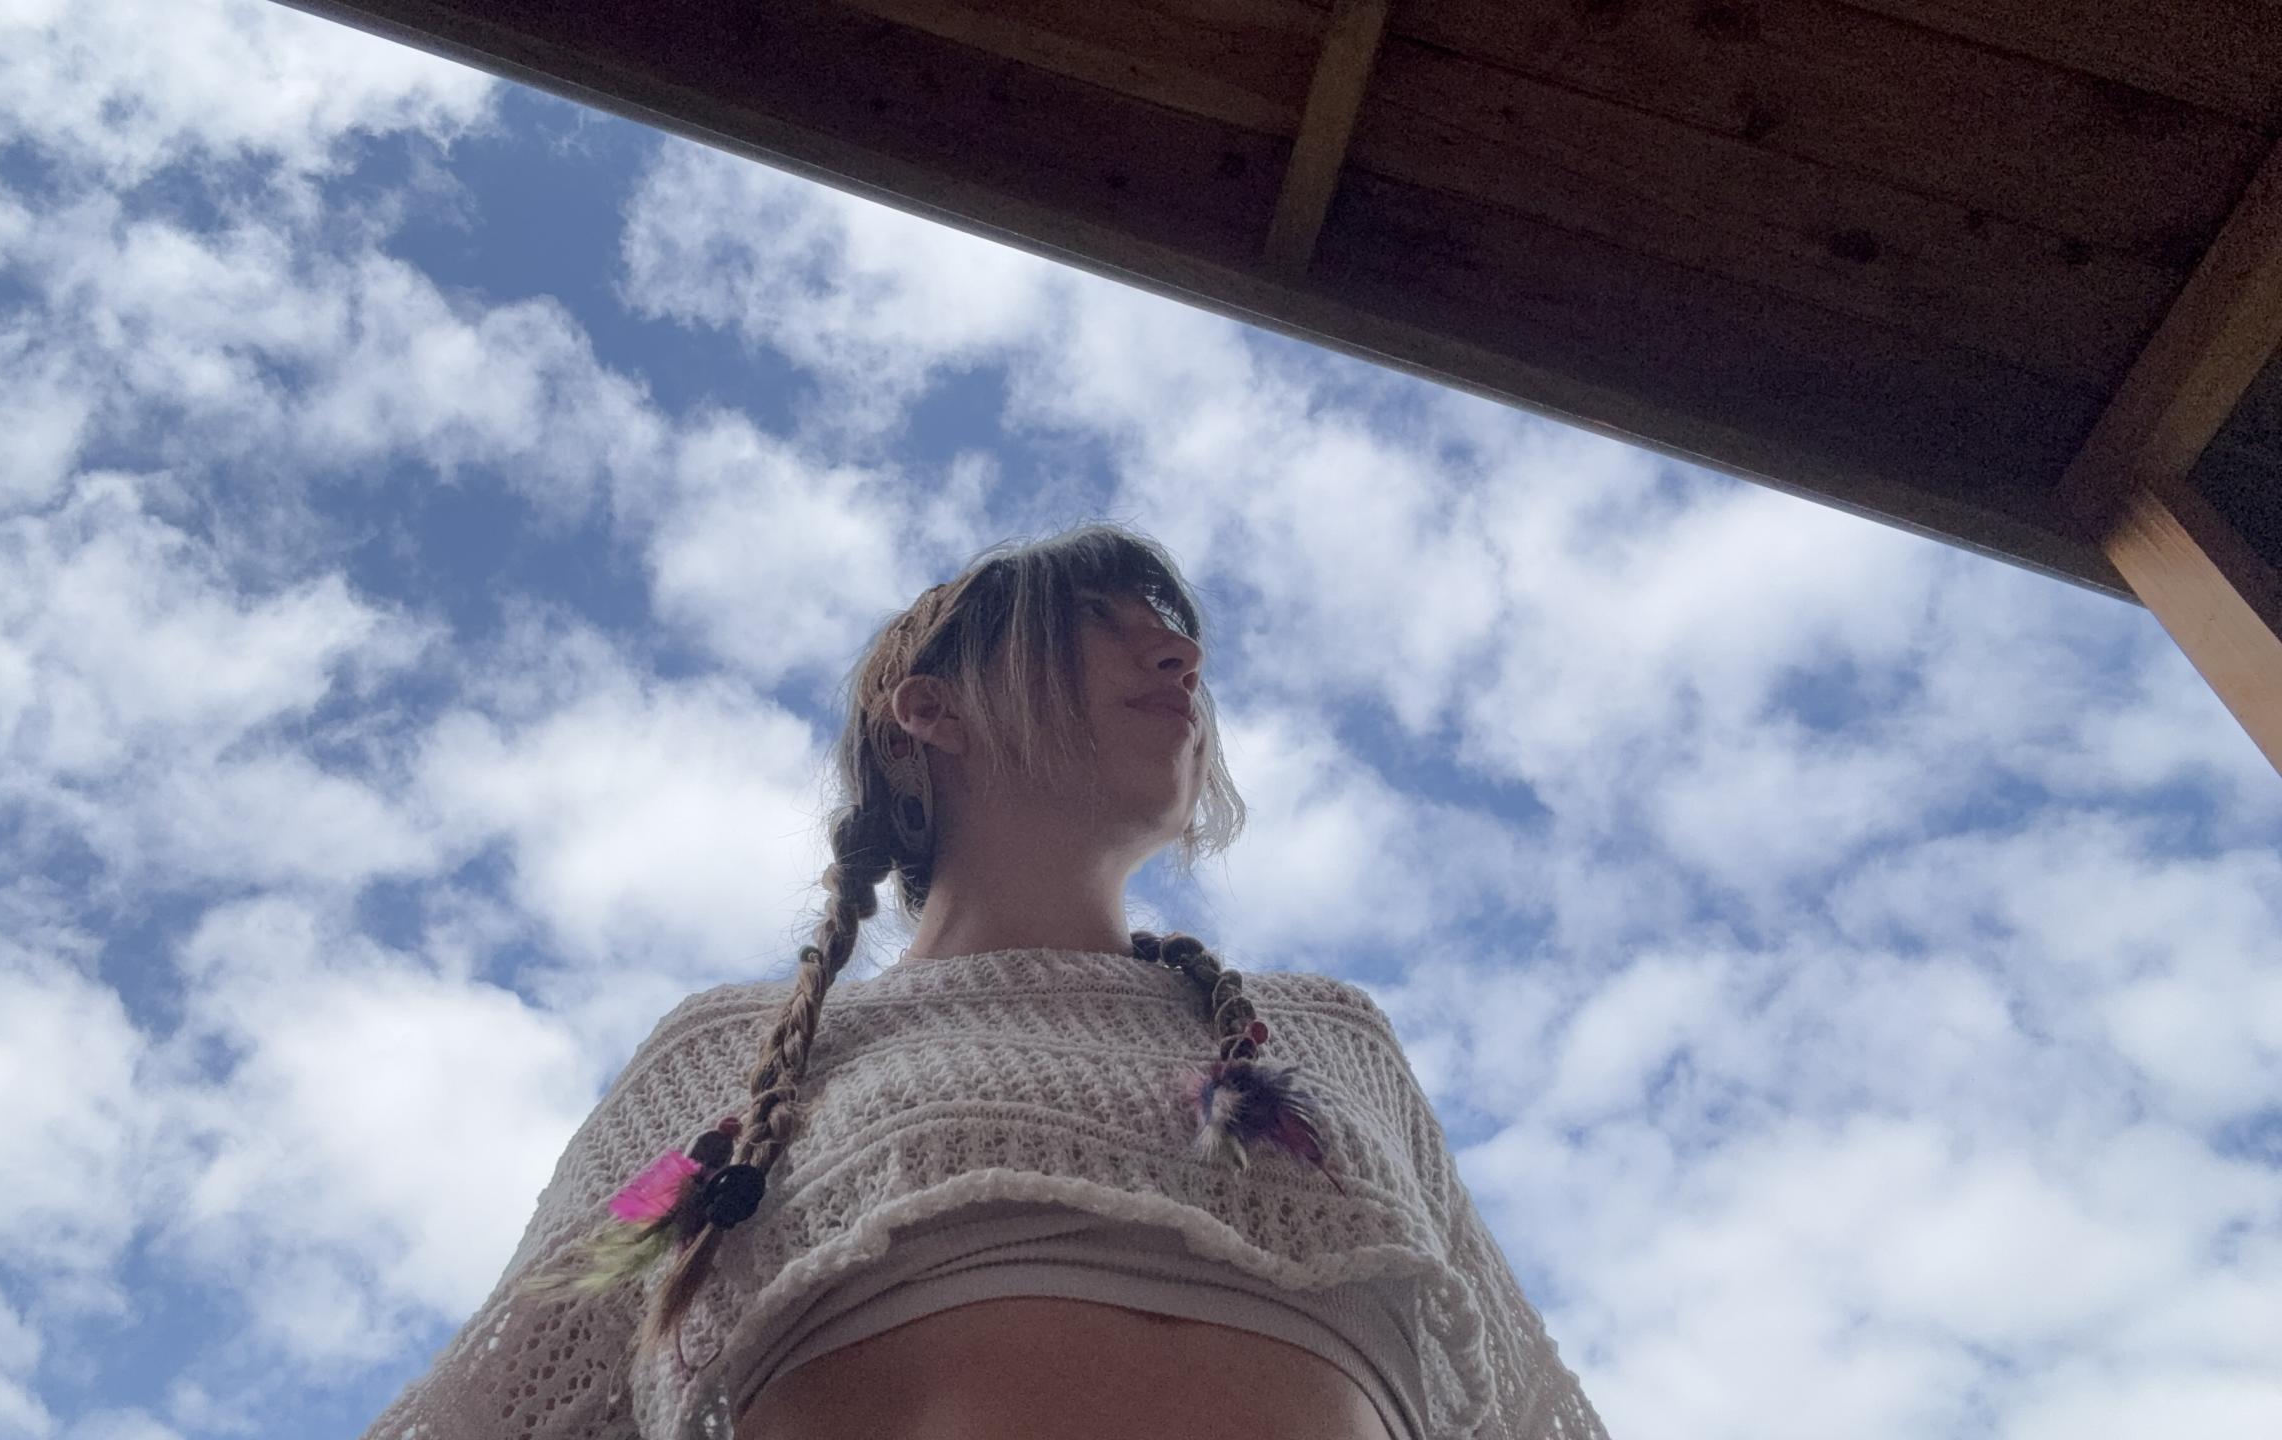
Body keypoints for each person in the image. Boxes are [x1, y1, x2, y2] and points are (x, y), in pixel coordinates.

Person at [359, 522, 1607, 1439]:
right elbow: (505, 1394)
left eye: (1178, 635)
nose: (1179, 653)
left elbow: (1513, 1404)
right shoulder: (722, 1070)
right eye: (1102, 619)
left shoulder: (1328, 1044)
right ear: (932, 711)